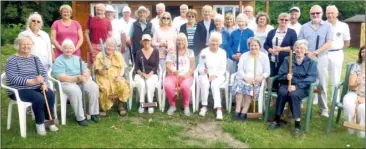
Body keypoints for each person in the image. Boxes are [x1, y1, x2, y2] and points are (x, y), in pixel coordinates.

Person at [5, 34, 58, 136]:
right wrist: (31, 81)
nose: (26, 46)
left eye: (29, 44)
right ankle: (40, 124)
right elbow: (12, 77)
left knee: (50, 94)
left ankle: (49, 121)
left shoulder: (35, 58)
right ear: (18, 45)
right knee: (38, 98)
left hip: (36, 87)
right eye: (23, 44)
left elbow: (43, 73)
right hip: (18, 89)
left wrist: (45, 83)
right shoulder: (12, 60)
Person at [267, 40, 317, 137]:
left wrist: (297, 86)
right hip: (287, 84)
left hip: (302, 87)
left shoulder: (311, 63)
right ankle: (277, 120)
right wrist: (286, 77)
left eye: (301, 48)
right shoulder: (288, 59)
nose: (299, 50)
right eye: (297, 48)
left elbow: (311, 78)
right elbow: (281, 74)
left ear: (306, 50)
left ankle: (297, 125)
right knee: (282, 92)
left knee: (294, 95)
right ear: (294, 49)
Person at [52, 39, 100, 126]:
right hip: (66, 82)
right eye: (66, 48)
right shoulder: (59, 61)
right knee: (76, 91)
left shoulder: (77, 58)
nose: (68, 50)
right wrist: (77, 78)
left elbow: (86, 70)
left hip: (80, 79)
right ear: (62, 49)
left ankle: (94, 113)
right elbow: (61, 77)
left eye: (70, 48)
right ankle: (80, 117)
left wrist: (85, 76)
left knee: (93, 87)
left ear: (74, 49)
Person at [298, 5, 333, 117]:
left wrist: (316, 52)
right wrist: (307, 53)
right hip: (306, 57)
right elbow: (300, 42)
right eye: (313, 13)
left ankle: (324, 109)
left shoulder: (327, 26)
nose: (315, 15)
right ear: (310, 14)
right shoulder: (304, 27)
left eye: (317, 13)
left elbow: (329, 43)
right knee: (302, 80)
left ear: (321, 13)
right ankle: (299, 104)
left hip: (321, 57)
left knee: (322, 83)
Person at [231, 37, 270, 121]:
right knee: (239, 85)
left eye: (255, 45)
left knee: (250, 87)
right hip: (244, 77)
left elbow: (267, 71)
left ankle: (244, 112)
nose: (253, 47)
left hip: (256, 79)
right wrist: (245, 77)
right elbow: (240, 69)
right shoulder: (244, 55)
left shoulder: (264, 56)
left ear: (259, 46)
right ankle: (237, 110)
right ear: (249, 46)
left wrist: (261, 77)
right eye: (251, 45)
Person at [95, 38, 130, 117]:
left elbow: (122, 67)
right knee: (105, 87)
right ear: (105, 45)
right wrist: (104, 67)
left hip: (116, 75)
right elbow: (99, 72)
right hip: (103, 76)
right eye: (108, 45)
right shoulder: (100, 56)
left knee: (122, 84)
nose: (110, 48)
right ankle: (104, 108)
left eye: (112, 46)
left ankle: (120, 106)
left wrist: (120, 76)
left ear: (115, 47)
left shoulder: (118, 54)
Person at [197, 32, 227, 120]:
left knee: (214, 84)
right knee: (204, 82)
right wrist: (204, 71)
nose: (214, 43)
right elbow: (200, 67)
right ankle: (204, 106)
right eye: (213, 41)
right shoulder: (204, 52)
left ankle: (218, 109)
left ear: (219, 42)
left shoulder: (222, 53)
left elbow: (223, 68)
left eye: (216, 41)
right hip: (205, 74)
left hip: (218, 75)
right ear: (210, 41)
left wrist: (215, 75)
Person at [164, 33, 195, 116]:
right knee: (168, 85)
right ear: (176, 42)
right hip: (173, 75)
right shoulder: (172, 52)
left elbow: (192, 67)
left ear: (185, 42)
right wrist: (173, 70)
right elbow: (168, 66)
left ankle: (186, 106)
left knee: (185, 86)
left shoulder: (190, 52)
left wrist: (187, 74)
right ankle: (172, 105)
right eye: (178, 40)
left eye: (182, 40)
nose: (180, 42)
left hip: (186, 76)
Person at [326, 5, 351, 104]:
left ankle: (334, 102)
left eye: (332, 13)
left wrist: (337, 49)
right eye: (328, 13)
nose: (330, 15)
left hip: (337, 54)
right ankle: (316, 99)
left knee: (336, 79)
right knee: (320, 77)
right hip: (324, 54)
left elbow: (347, 43)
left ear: (337, 14)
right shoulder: (322, 25)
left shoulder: (343, 26)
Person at [264, 13, 297, 79]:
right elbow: (265, 45)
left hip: (285, 61)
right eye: (281, 19)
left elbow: (294, 46)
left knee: (282, 79)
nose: (283, 21)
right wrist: (271, 50)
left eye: (286, 20)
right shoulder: (272, 32)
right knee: (272, 78)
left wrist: (281, 49)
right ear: (278, 20)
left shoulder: (292, 32)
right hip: (272, 60)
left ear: (289, 21)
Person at [343, 45, 365, 138]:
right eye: (363, 52)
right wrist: (357, 83)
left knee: (362, 108)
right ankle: (351, 131)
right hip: (354, 93)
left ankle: (361, 132)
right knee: (348, 103)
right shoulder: (357, 66)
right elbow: (351, 85)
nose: (364, 54)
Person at [134, 34, 160, 114]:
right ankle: (142, 104)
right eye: (144, 40)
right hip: (140, 74)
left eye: (148, 40)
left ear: (151, 41)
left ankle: (150, 104)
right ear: (142, 42)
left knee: (149, 83)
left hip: (152, 74)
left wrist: (149, 75)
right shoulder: (139, 52)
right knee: (142, 84)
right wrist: (141, 73)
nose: (146, 42)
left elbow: (156, 66)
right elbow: (137, 67)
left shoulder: (156, 51)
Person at [121, 6, 136, 78]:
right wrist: (126, 41)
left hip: (133, 44)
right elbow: (120, 33)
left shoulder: (134, 21)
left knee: (134, 62)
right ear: (122, 13)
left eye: (127, 12)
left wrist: (131, 40)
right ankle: (127, 78)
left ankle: (134, 76)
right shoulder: (119, 21)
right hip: (123, 45)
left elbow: (135, 32)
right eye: (125, 12)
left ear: (130, 13)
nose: (126, 14)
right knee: (125, 62)